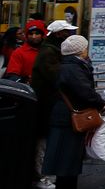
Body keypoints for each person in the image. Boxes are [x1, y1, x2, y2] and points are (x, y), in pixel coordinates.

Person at [41, 35, 105, 189]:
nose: (86, 50)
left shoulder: (68, 65)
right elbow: (84, 91)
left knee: (66, 160)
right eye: (84, 47)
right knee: (67, 161)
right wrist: (100, 102)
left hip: (65, 117)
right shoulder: (73, 68)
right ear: (79, 51)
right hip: (68, 119)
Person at [33, 18, 76, 189]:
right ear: (59, 33)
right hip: (46, 104)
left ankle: (46, 175)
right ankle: (44, 177)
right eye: (66, 31)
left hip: (48, 103)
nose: (69, 34)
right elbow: (56, 77)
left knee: (46, 142)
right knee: (44, 143)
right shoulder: (49, 53)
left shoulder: (50, 50)